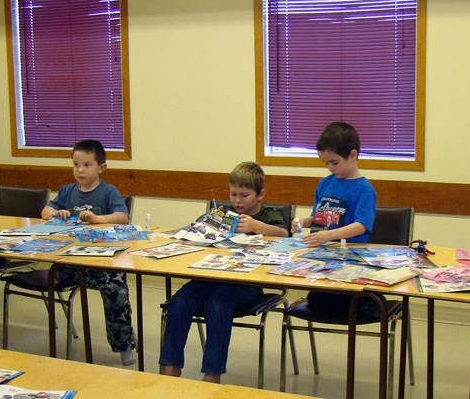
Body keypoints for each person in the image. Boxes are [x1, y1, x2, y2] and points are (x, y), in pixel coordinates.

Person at [159, 161, 289, 383]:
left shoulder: (269, 216)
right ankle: (170, 365)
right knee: (180, 301)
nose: (237, 201)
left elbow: (284, 234)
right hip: (211, 275)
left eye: (244, 195)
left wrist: (257, 227)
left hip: (246, 283)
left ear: (260, 194)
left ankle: (212, 373)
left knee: (217, 305)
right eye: (233, 194)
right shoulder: (225, 214)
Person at [41, 139, 137, 365]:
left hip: (101, 263)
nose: (80, 170)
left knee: (116, 288)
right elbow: (45, 210)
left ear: (101, 167)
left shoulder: (108, 192)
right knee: (52, 277)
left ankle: (124, 345)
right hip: (70, 262)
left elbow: (123, 217)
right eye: (76, 165)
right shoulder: (68, 191)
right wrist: (57, 214)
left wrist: (99, 219)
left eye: (86, 165)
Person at [290, 121, 376, 311]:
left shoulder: (364, 189)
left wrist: (329, 235)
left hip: (349, 257)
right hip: (321, 256)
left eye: (334, 162)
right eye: (326, 163)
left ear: (353, 155)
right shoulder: (325, 183)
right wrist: (302, 221)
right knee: (316, 300)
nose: (330, 168)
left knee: (334, 302)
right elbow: (317, 216)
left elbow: (361, 225)